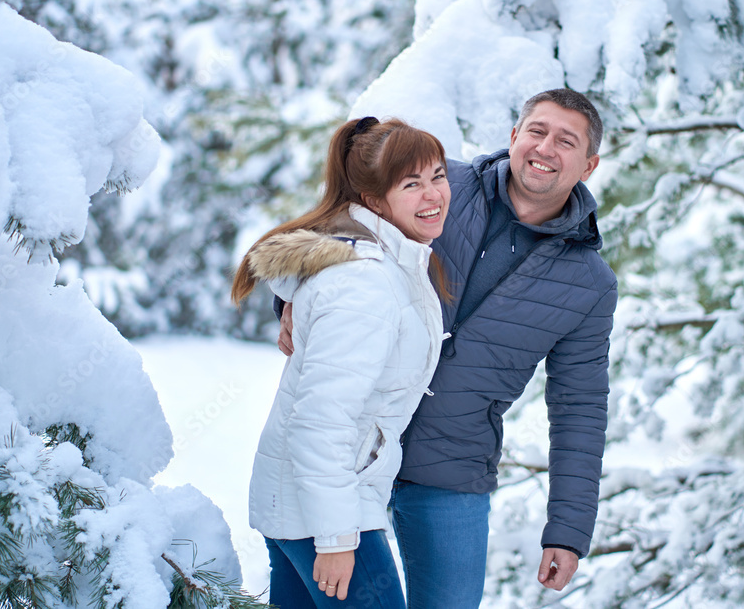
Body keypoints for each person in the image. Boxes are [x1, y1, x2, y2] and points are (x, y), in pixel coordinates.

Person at [281, 88, 618, 608]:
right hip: (351, 446)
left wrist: (568, 530)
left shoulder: (589, 283)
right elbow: (337, 228)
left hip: (451, 468)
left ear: (588, 164)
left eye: (566, 141)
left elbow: (580, 409)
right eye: (537, 130)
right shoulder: (442, 184)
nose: (545, 148)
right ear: (513, 137)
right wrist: (293, 296)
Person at [233, 117, 452, 608]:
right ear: (374, 201)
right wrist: (334, 539)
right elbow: (321, 420)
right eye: (411, 184)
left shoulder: (393, 263)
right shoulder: (365, 284)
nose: (433, 194)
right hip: (326, 515)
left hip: (311, 504)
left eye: (438, 176)